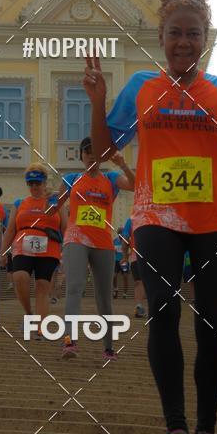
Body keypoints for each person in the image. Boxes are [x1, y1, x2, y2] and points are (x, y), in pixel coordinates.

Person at [84, 0, 217, 434]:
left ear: (205, 39)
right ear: (162, 38)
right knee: (164, 316)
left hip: (214, 218)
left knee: (211, 324)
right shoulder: (142, 88)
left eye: (194, 34)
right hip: (156, 216)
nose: (184, 42)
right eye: (176, 33)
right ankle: (175, 432)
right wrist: (99, 101)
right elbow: (106, 151)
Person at [55, 137, 134, 361]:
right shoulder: (71, 179)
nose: (91, 156)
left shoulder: (110, 179)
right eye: (87, 152)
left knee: (104, 297)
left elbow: (135, 186)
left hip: (103, 244)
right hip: (76, 239)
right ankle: (69, 342)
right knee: (75, 287)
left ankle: (108, 348)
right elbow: (54, 206)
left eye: (95, 152)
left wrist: (123, 165)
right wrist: (47, 197)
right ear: (80, 156)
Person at [0, 163, 66, 338]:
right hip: (22, 244)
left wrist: (67, 252)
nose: (34, 187)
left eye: (38, 183)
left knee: (42, 287)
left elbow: (66, 228)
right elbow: (11, 229)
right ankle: (29, 314)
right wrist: (3, 252)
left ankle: (40, 326)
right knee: (19, 277)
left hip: (49, 247)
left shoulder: (56, 202)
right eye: (31, 183)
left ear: (44, 182)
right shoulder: (20, 203)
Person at [121, 215, 146, 318]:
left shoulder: (131, 220)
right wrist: (125, 256)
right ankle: (139, 306)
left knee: (140, 282)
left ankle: (144, 306)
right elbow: (125, 238)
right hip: (136, 255)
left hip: (151, 254)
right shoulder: (131, 220)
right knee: (139, 281)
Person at [113, 231, 129, 299]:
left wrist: (126, 258)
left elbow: (129, 250)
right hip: (116, 261)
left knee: (125, 276)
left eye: (122, 234)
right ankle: (115, 289)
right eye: (119, 234)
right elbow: (111, 249)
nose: (120, 235)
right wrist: (114, 251)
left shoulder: (126, 241)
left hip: (124, 261)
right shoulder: (114, 241)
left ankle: (125, 293)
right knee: (114, 276)